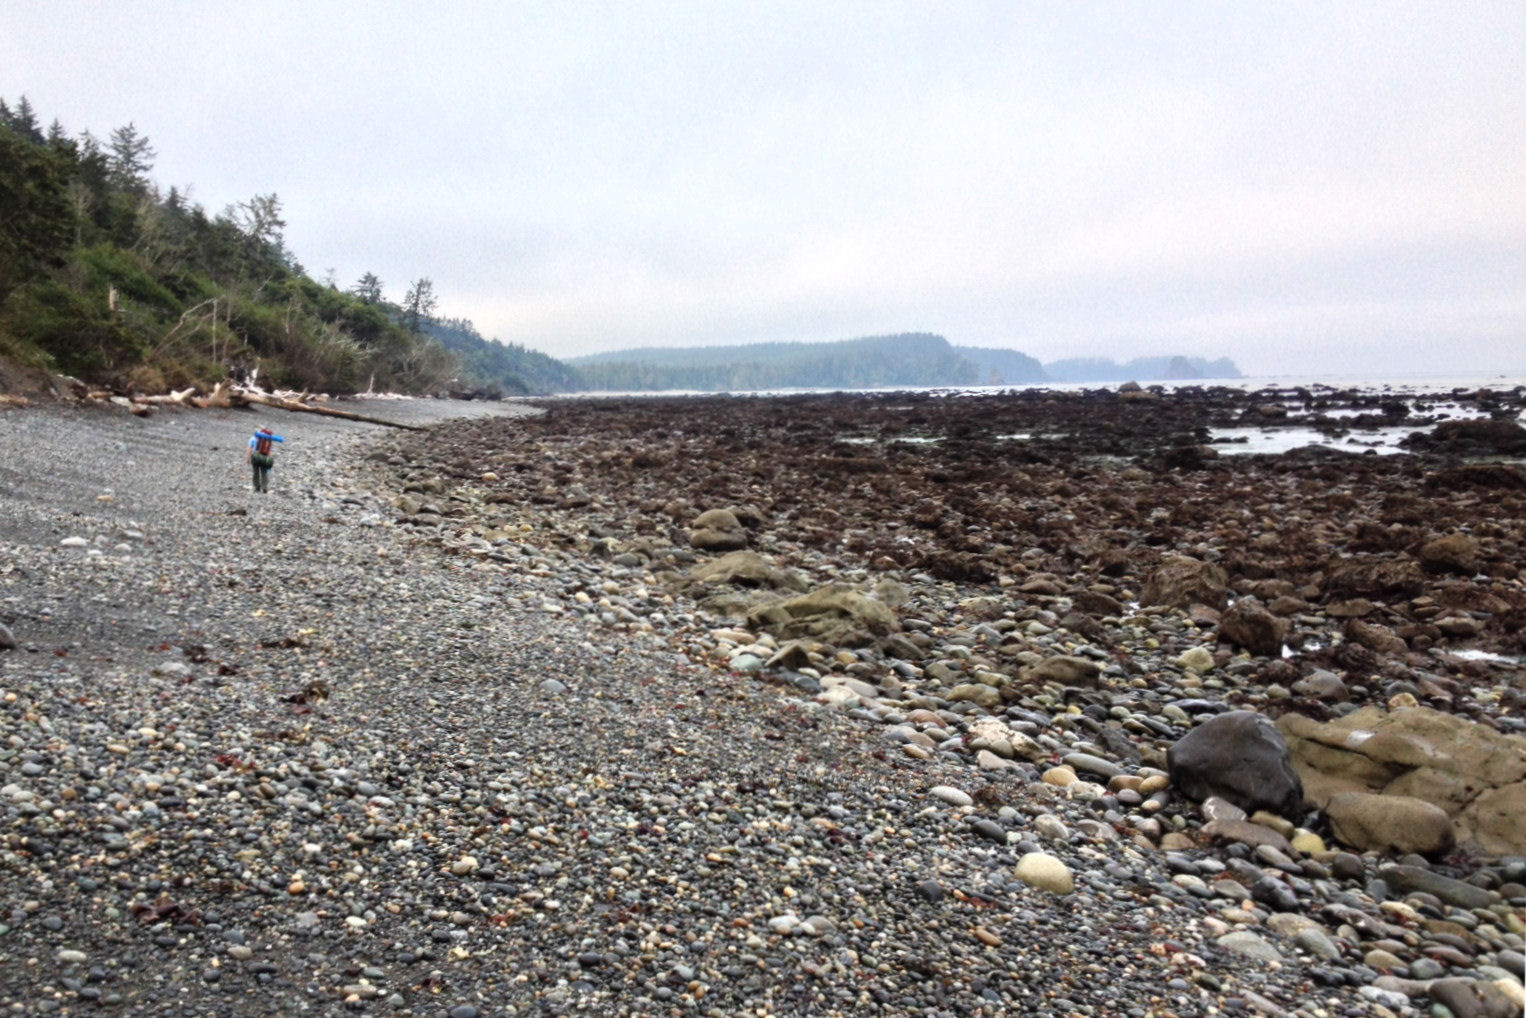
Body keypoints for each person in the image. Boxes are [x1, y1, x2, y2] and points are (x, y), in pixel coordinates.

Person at [246, 426, 284, 493]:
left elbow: (250, 449)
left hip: (255, 456)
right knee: (264, 472)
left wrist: (248, 458)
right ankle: (264, 487)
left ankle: (257, 487)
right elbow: (269, 451)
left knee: (256, 472)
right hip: (265, 457)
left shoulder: (253, 438)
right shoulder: (268, 440)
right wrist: (269, 460)